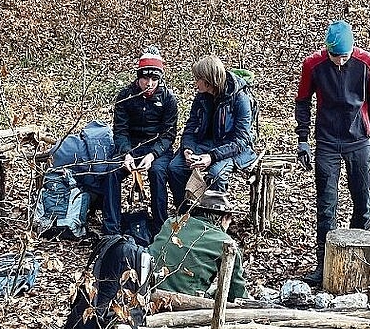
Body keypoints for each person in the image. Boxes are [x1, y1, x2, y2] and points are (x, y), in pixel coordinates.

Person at [295, 20, 370, 287]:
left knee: (362, 201)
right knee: (326, 205)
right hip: (327, 140)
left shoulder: (367, 63)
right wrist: (303, 140)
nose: (340, 62)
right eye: (335, 56)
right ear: (327, 50)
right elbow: (303, 101)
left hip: (359, 139)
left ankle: (361, 263)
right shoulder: (313, 65)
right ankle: (324, 265)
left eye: (344, 56)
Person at [102, 46, 178, 237]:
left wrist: (153, 154)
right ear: (138, 77)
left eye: (154, 79)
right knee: (111, 171)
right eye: (145, 78)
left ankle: (159, 227)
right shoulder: (125, 96)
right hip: (131, 145)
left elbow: (168, 135)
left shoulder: (169, 99)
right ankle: (111, 228)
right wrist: (126, 152)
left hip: (156, 147)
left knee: (158, 173)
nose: (149, 83)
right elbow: (120, 130)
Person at [167, 55, 257, 211]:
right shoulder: (201, 97)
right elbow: (191, 126)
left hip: (231, 149)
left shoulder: (240, 99)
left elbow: (242, 140)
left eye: (198, 79)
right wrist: (188, 149)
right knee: (175, 168)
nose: (195, 84)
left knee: (217, 174)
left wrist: (211, 157)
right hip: (205, 144)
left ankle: (213, 221)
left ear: (209, 81)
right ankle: (186, 214)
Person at [149, 189, 246, 301]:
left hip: (146, 290)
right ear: (225, 218)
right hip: (183, 302)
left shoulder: (171, 223)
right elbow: (237, 293)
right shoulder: (225, 243)